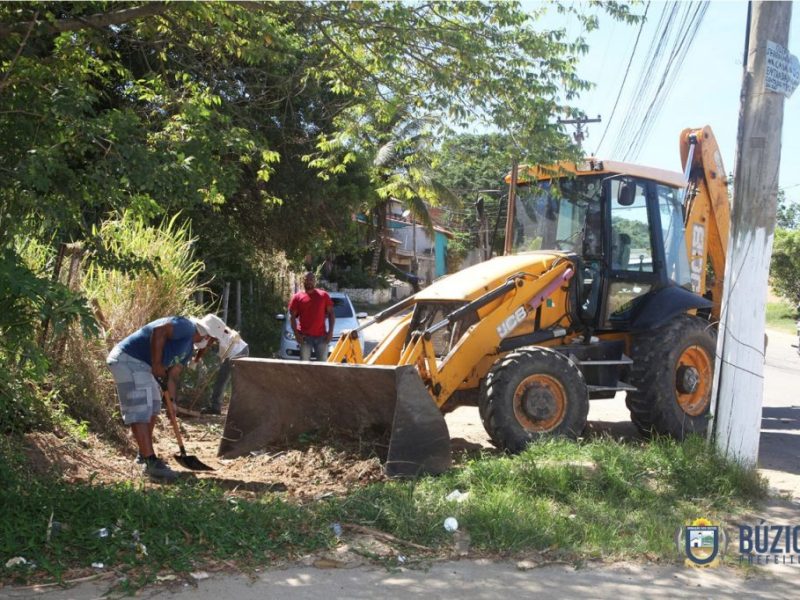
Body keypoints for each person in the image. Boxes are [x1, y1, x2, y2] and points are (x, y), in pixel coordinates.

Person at [106, 314, 226, 482]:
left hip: (143, 365)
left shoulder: (189, 348)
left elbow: (174, 375)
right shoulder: (186, 326)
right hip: (128, 359)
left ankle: (143, 455)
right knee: (141, 408)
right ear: (206, 335)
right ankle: (150, 462)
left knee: (154, 405)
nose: (210, 344)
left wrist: (172, 403)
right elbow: (159, 332)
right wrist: (156, 364)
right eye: (212, 340)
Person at [197, 324, 249, 415]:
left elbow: (223, 352)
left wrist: (221, 360)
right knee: (226, 380)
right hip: (241, 349)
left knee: (224, 380)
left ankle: (217, 407)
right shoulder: (218, 331)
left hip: (237, 352)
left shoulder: (219, 335)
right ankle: (218, 406)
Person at [289, 272, 335, 362]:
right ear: (303, 281)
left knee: (322, 366)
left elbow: (331, 314)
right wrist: (296, 335)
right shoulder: (297, 297)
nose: (309, 281)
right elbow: (292, 317)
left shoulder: (323, 296)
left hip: (321, 337)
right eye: (307, 279)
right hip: (304, 338)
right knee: (304, 366)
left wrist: (330, 332)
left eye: (311, 279)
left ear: (315, 281)